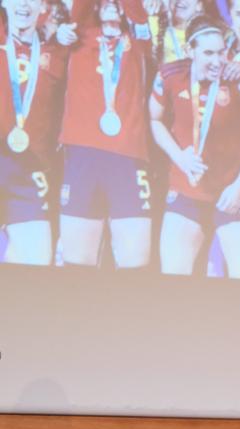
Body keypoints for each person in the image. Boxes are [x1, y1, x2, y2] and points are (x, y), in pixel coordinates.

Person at [149, 15, 240, 278]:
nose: (217, 61)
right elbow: (154, 120)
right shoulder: (170, 74)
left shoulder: (238, 81)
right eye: (208, 53)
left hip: (230, 194)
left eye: (221, 52)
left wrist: (239, 186)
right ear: (190, 51)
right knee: (173, 279)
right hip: (186, 191)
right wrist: (180, 157)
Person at [57, 0, 153, 269]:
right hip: (82, 154)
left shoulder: (138, 39)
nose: (112, 3)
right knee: (78, 263)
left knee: (135, 262)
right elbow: (77, 11)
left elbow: (139, 13)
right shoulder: (79, 35)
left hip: (128, 155)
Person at [0, 0, 67, 265]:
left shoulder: (58, 55)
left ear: (43, 6)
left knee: (36, 263)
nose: (23, 5)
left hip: (30, 169)